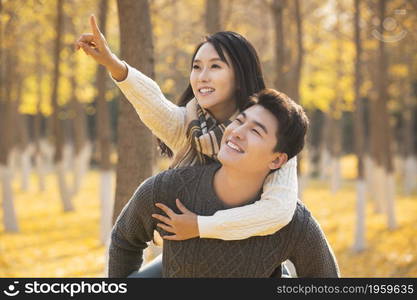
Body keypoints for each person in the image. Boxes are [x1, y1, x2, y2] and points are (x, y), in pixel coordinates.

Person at [76, 15, 298, 273]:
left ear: (240, 74)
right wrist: (112, 63)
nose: (202, 77)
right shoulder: (188, 128)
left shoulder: (271, 138)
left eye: (215, 66)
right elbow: (153, 104)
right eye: (196, 67)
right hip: (189, 260)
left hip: (253, 266)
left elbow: (278, 211)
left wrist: (200, 225)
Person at [108, 89, 339, 278]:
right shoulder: (169, 190)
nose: (237, 132)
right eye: (239, 121)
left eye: (256, 132)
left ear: (277, 159)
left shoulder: (292, 222)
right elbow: (125, 239)